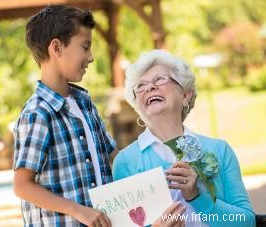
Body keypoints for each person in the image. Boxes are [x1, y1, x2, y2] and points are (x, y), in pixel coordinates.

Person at [112, 49, 255, 226]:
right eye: (140, 86)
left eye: (159, 79)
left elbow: (246, 222)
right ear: (137, 106)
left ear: (186, 95)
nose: (149, 87)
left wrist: (198, 198)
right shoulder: (126, 162)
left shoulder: (220, 150)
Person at [13, 5, 116, 226]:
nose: (91, 58)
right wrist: (79, 211)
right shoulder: (37, 114)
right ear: (57, 48)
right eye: (85, 47)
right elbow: (22, 185)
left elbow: (113, 157)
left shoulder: (85, 104)